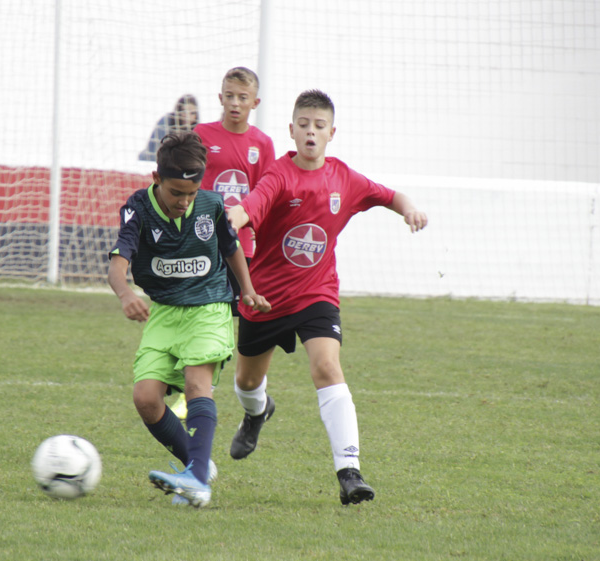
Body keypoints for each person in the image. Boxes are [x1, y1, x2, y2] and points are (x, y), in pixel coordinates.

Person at [225, 89, 428, 505]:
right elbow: (250, 206)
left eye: (319, 126)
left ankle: (349, 472)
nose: (311, 133)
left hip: (316, 295)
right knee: (247, 383)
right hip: (264, 298)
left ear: (332, 132)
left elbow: (390, 196)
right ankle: (257, 411)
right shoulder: (279, 176)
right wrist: (232, 217)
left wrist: (409, 209)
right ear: (291, 130)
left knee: (326, 366)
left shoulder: (344, 178)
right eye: (304, 125)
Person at [108, 131, 270, 508]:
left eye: (191, 194)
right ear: (156, 180)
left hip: (210, 306)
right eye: (175, 193)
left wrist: (246, 290)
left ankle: (196, 479)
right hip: (164, 312)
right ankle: (199, 466)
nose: (183, 202)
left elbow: (231, 248)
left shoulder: (211, 205)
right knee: (146, 399)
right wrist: (127, 294)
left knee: (198, 384)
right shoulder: (137, 208)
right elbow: (118, 264)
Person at [168, 67, 277, 423]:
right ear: (220, 97)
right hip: (198, 243)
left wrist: (261, 239)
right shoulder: (201, 135)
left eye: (242, 98)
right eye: (229, 96)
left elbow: (265, 197)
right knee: (192, 315)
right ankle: (188, 386)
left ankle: (197, 388)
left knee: (219, 322)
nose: (235, 103)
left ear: (254, 102)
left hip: (238, 249)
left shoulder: (262, 144)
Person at [138, 94, 199, 162]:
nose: (187, 116)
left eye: (192, 113)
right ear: (178, 111)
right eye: (184, 111)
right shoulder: (166, 122)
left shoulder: (197, 130)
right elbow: (154, 150)